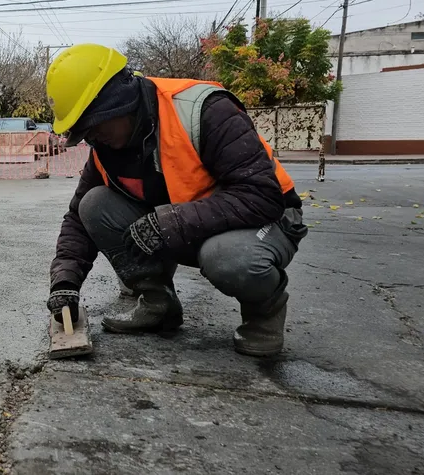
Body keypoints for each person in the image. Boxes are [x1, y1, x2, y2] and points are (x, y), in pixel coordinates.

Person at [45, 44, 307, 357]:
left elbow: (262, 196)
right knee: (94, 203)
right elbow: (77, 218)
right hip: (191, 228)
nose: (90, 139)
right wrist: (65, 281)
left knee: (227, 257)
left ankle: (264, 314)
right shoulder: (107, 148)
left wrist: (172, 221)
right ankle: (159, 304)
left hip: (265, 221)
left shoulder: (204, 110)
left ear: (115, 105)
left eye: (91, 127)